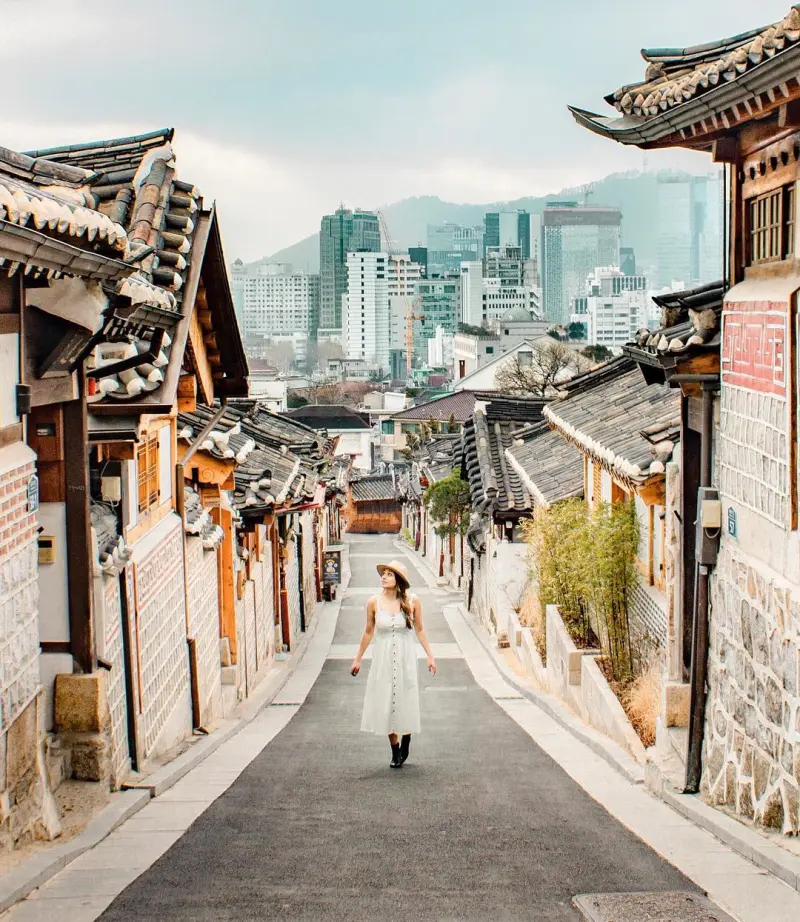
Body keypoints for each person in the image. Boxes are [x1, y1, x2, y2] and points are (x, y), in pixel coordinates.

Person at [350, 560, 436, 768]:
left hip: (406, 658)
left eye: (390, 574)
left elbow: (420, 630)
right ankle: (394, 750)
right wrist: (358, 659)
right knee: (386, 701)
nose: (384, 577)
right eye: (384, 573)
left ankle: (407, 736)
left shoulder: (413, 601)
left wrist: (430, 657)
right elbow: (368, 631)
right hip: (383, 659)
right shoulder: (373, 602)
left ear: (399, 580)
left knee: (405, 698)